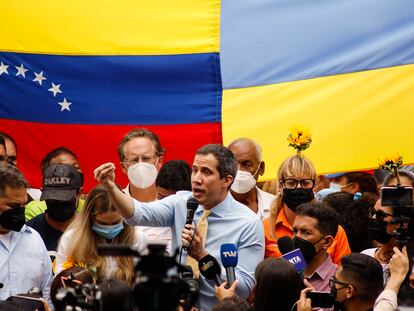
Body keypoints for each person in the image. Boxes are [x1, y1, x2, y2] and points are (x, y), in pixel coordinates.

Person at [94, 144, 265, 311]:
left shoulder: (248, 223)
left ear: (227, 180)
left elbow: (243, 289)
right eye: (195, 170)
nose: (196, 179)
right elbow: (136, 215)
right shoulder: (181, 203)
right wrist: (111, 187)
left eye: (206, 172)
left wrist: (202, 257)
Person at [262, 154, 351, 264]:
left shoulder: (334, 230)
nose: (299, 187)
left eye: (305, 183)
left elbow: (343, 274)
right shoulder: (264, 229)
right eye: (291, 182)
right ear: (280, 186)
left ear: (313, 186)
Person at [55, 185, 147, 285]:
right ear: (90, 217)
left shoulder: (138, 239)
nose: (109, 228)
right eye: (102, 223)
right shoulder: (72, 239)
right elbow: (61, 282)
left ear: (124, 216)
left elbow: (146, 281)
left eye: (116, 222)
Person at [0, 165, 52, 302]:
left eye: (24, 205)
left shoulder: (34, 239)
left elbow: (47, 292)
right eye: (14, 207)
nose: (21, 212)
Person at [118, 128, 172, 250]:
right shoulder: (114, 205)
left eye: (146, 158)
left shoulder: (174, 204)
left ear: (160, 161)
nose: (140, 164)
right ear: (123, 167)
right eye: (134, 160)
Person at [27, 164, 83, 260]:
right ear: (42, 192)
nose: (59, 202)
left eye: (64, 198)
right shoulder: (29, 233)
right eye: (52, 198)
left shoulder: (91, 230)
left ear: (79, 193)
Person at [25, 147, 84, 221]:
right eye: (64, 168)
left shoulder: (90, 207)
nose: (72, 173)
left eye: (76, 167)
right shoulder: (35, 210)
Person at [293, 202, 339, 291]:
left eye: (306, 232)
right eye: (295, 230)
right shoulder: (285, 272)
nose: (297, 237)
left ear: (326, 242)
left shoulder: (337, 283)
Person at [228, 138, 275, 219]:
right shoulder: (212, 209)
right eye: (233, 165)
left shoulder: (275, 205)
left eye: (247, 165)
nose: (239, 171)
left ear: (261, 168)